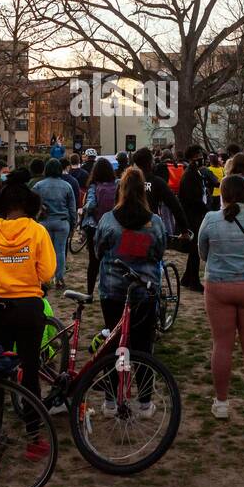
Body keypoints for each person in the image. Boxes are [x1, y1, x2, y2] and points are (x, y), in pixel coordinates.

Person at [0, 176, 56, 460]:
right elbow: (47, 273)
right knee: (30, 371)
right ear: (29, 205)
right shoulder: (37, 231)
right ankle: (33, 436)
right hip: (29, 308)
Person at [93, 167, 168, 417]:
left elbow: (98, 250)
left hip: (113, 290)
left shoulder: (107, 220)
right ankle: (145, 401)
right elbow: (159, 252)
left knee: (114, 344)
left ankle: (110, 400)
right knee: (143, 346)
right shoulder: (154, 222)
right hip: (144, 291)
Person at [198, 175, 244, 420]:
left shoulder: (211, 219)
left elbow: (203, 251)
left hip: (219, 284)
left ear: (224, 195)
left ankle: (221, 402)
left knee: (222, 344)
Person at [32, 158, 77, 290]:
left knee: (45, 252)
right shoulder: (66, 186)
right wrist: (73, 224)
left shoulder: (38, 186)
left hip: (44, 222)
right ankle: (59, 278)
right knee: (60, 251)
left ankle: (46, 278)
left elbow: (32, 205)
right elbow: (72, 208)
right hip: (62, 222)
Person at [178, 144, 216, 292]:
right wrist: (206, 209)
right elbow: (192, 198)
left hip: (195, 213)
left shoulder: (196, 173)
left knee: (194, 249)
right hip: (192, 215)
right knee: (195, 249)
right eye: (199, 155)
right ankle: (193, 280)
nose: (202, 158)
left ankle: (187, 277)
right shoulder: (190, 174)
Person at [80, 158, 118, 297]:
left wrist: (85, 209)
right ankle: (111, 290)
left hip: (95, 226)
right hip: (114, 226)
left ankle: (89, 292)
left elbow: (90, 205)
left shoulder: (94, 186)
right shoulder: (117, 185)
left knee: (93, 261)